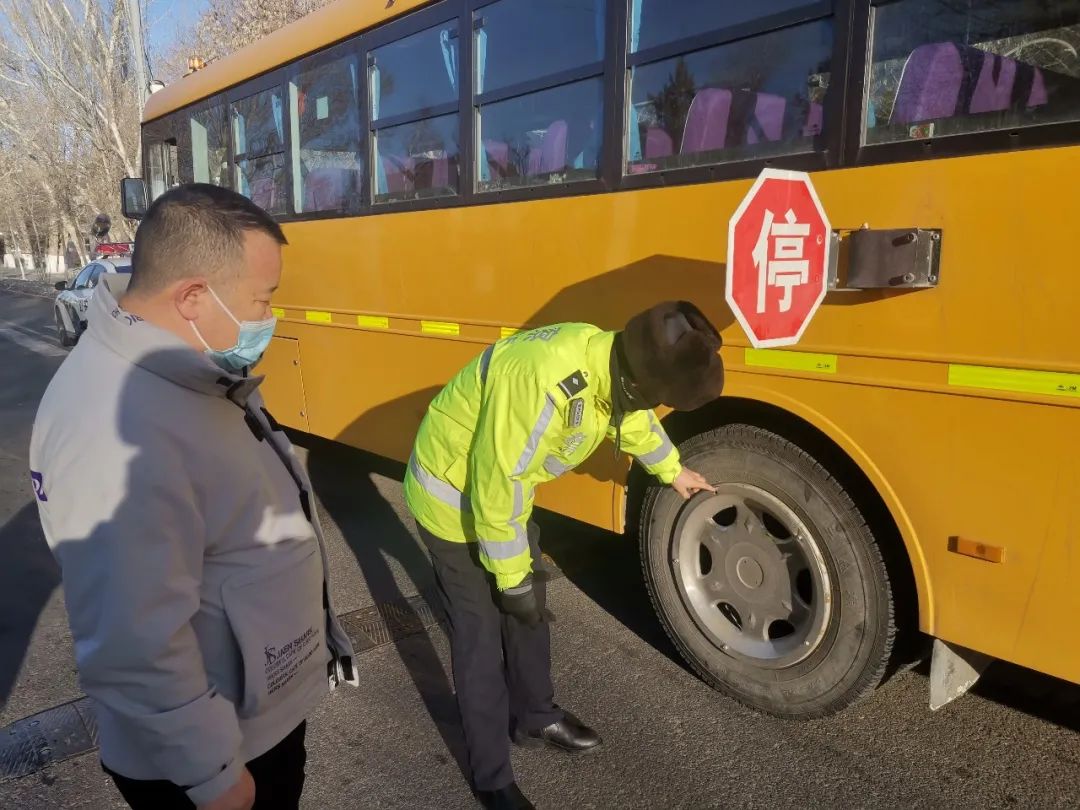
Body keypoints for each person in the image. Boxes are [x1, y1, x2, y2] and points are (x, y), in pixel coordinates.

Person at [29, 184, 356, 810]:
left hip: (251, 720)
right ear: (192, 298)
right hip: (213, 758)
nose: (268, 317)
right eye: (262, 299)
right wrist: (214, 778)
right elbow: (133, 639)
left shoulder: (191, 371)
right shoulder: (113, 426)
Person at [404, 301, 726, 810]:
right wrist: (511, 583)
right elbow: (497, 482)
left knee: (532, 614)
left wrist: (673, 470)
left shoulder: (612, 361)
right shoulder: (543, 378)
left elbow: (630, 419)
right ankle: (492, 778)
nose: (648, 404)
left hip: (501, 501)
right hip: (452, 497)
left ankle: (536, 717)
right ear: (635, 380)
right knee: (480, 636)